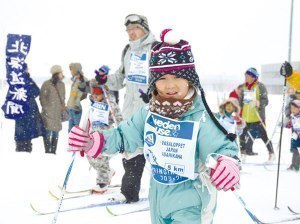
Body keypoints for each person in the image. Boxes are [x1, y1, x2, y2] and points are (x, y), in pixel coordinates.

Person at [68, 29, 240, 224]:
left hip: (192, 202)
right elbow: (124, 136)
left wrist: (227, 162)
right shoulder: (149, 112)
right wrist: (92, 141)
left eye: (177, 77)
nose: (169, 85)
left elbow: (220, 148)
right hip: (158, 199)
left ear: (190, 78)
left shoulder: (200, 116)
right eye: (162, 78)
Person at [95, 14, 157, 203]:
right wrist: (105, 80)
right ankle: (129, 192)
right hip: (130, 111)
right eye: (128, 30)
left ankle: (167, 193)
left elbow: (167, 79)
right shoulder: (128, 51)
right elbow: (120, 79)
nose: (131, 33)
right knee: (131, 150)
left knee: (159, 150)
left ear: (144, 29)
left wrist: (154, 94)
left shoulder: (156, 49)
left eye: (135, 29)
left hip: (154, 109)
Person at [84, 75, 123, 193]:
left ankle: (102, 181)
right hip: (93, 135)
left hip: (106, 136)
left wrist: (121, 130)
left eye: (98, 93)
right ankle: (108, 172)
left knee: (100, 158)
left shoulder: (110, 103)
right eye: (93, 93)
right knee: (91, 156)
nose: (95, 95)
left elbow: (119, 118)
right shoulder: (90, 102)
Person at [237, 68, 275, 161]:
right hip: (245, 117)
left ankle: (271, 153)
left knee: (263, 136)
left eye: (248, 76)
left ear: (254, 77)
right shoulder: (242, 86)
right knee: (242, 136)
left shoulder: (260, 86)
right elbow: (239, 101)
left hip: (257, 117)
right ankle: (242, 154)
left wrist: (259, 103)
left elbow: (265, 100)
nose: (245, 78)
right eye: (245, 76)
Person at [14, 63, 45, 152]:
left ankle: (21, 148)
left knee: (22, 131)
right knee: (26, 132)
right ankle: (25, 148)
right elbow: (36, 91)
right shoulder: (26, 79)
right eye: (27, 68)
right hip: (27, 109)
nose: (28, 69)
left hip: (20, 109)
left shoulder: (16, 80)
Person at [40, 65, 66, 154]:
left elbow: (63, 98)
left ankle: (53, 151)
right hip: (48, 113)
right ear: (56, 73)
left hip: (57, 113)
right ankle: (47, 151)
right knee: (47, 132)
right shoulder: (46, 84)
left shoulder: (62, 84)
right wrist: (46, 108)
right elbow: (42, 98)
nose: (62, 74)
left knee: (56, 132)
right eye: (61, 72)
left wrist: (62, 108)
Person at [67, 63, 88, 132]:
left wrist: (77, 104)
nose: (71, 71)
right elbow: (73, 94)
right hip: (71, 108)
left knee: (77, 131)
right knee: (71, 131)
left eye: (72, 69)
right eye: (70, 70)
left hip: (77, 109)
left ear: (77, 70)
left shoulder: (83, 80)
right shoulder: (75, 80)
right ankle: (71, 142)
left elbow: (83, 94)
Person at [285, 99, 300, 171]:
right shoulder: (293, 116)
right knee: (294, 150)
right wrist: (287, 124)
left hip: (298, 136)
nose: (292, 110)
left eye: (294, 108)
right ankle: (294, 164)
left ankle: (296, 166)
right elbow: (290, 124)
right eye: (291, 108)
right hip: (294, 136)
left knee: (296, 151)